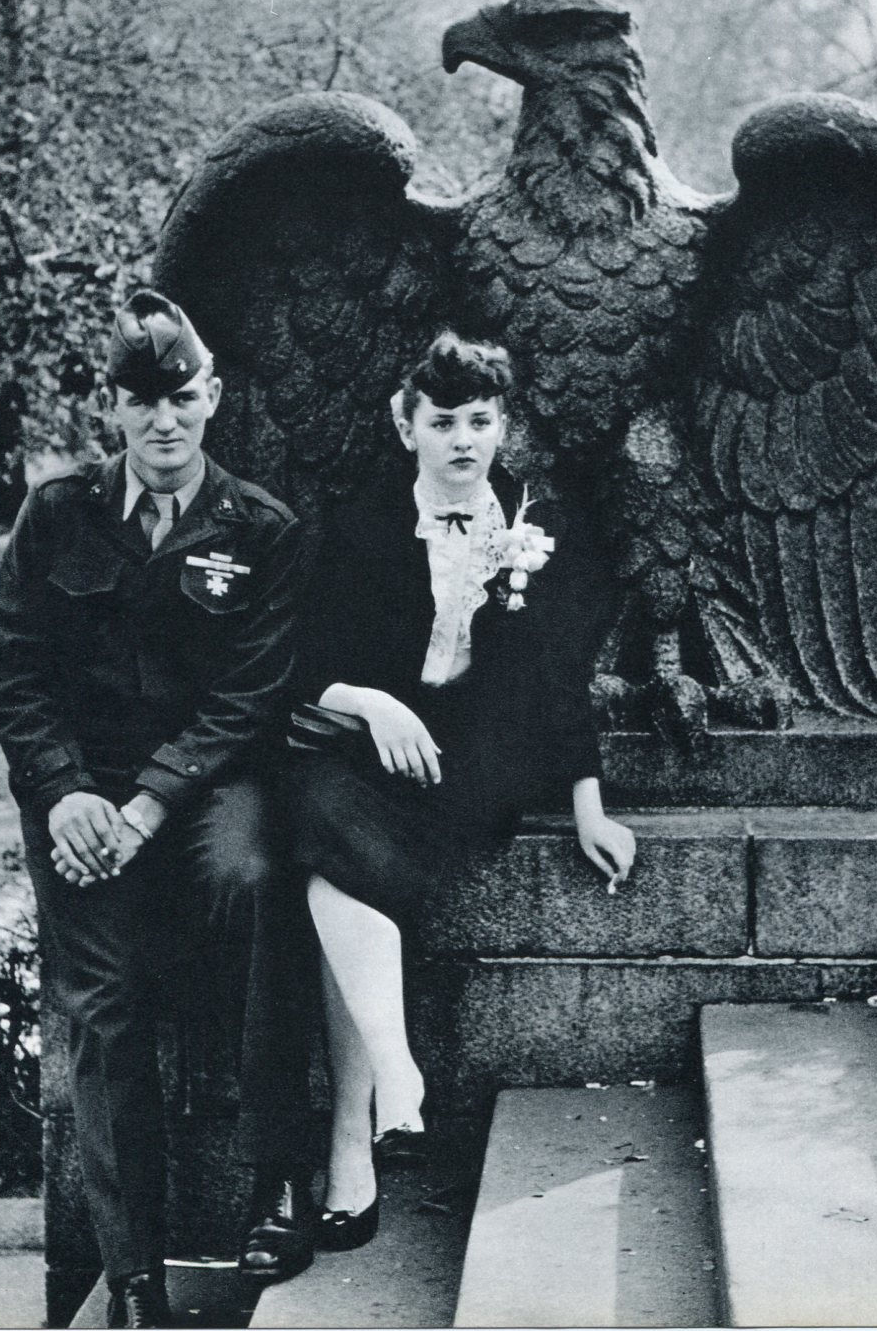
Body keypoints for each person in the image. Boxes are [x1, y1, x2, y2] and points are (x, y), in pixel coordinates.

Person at [0, 292, 316, 1329]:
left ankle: (278, 1178)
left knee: (258, 886)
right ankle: (134, 1281)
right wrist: (67, 791)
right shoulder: (58, 513)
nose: (163, 421)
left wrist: (149, 804)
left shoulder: (260, 528)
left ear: (212, 397)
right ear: (114, 409)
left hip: (206, 791)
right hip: (78, 800)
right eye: (142, 401)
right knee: (104, 1001)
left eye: (181, 398)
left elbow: (247, 696)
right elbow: (14, 666)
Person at [287, 331, 636, 1249]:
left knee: (335, 878)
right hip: (366, 753)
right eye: (441, 422)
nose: (463, 441)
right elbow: (303, 659)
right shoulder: (362, 523)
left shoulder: (530, 522)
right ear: (407, 428)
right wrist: (372, 706)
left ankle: (354, 1150)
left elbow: (560, 680)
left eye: (480, 420)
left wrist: (589, 802)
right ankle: (391, 1085)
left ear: (502, 425)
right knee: (322, 823)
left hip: (473, 762)